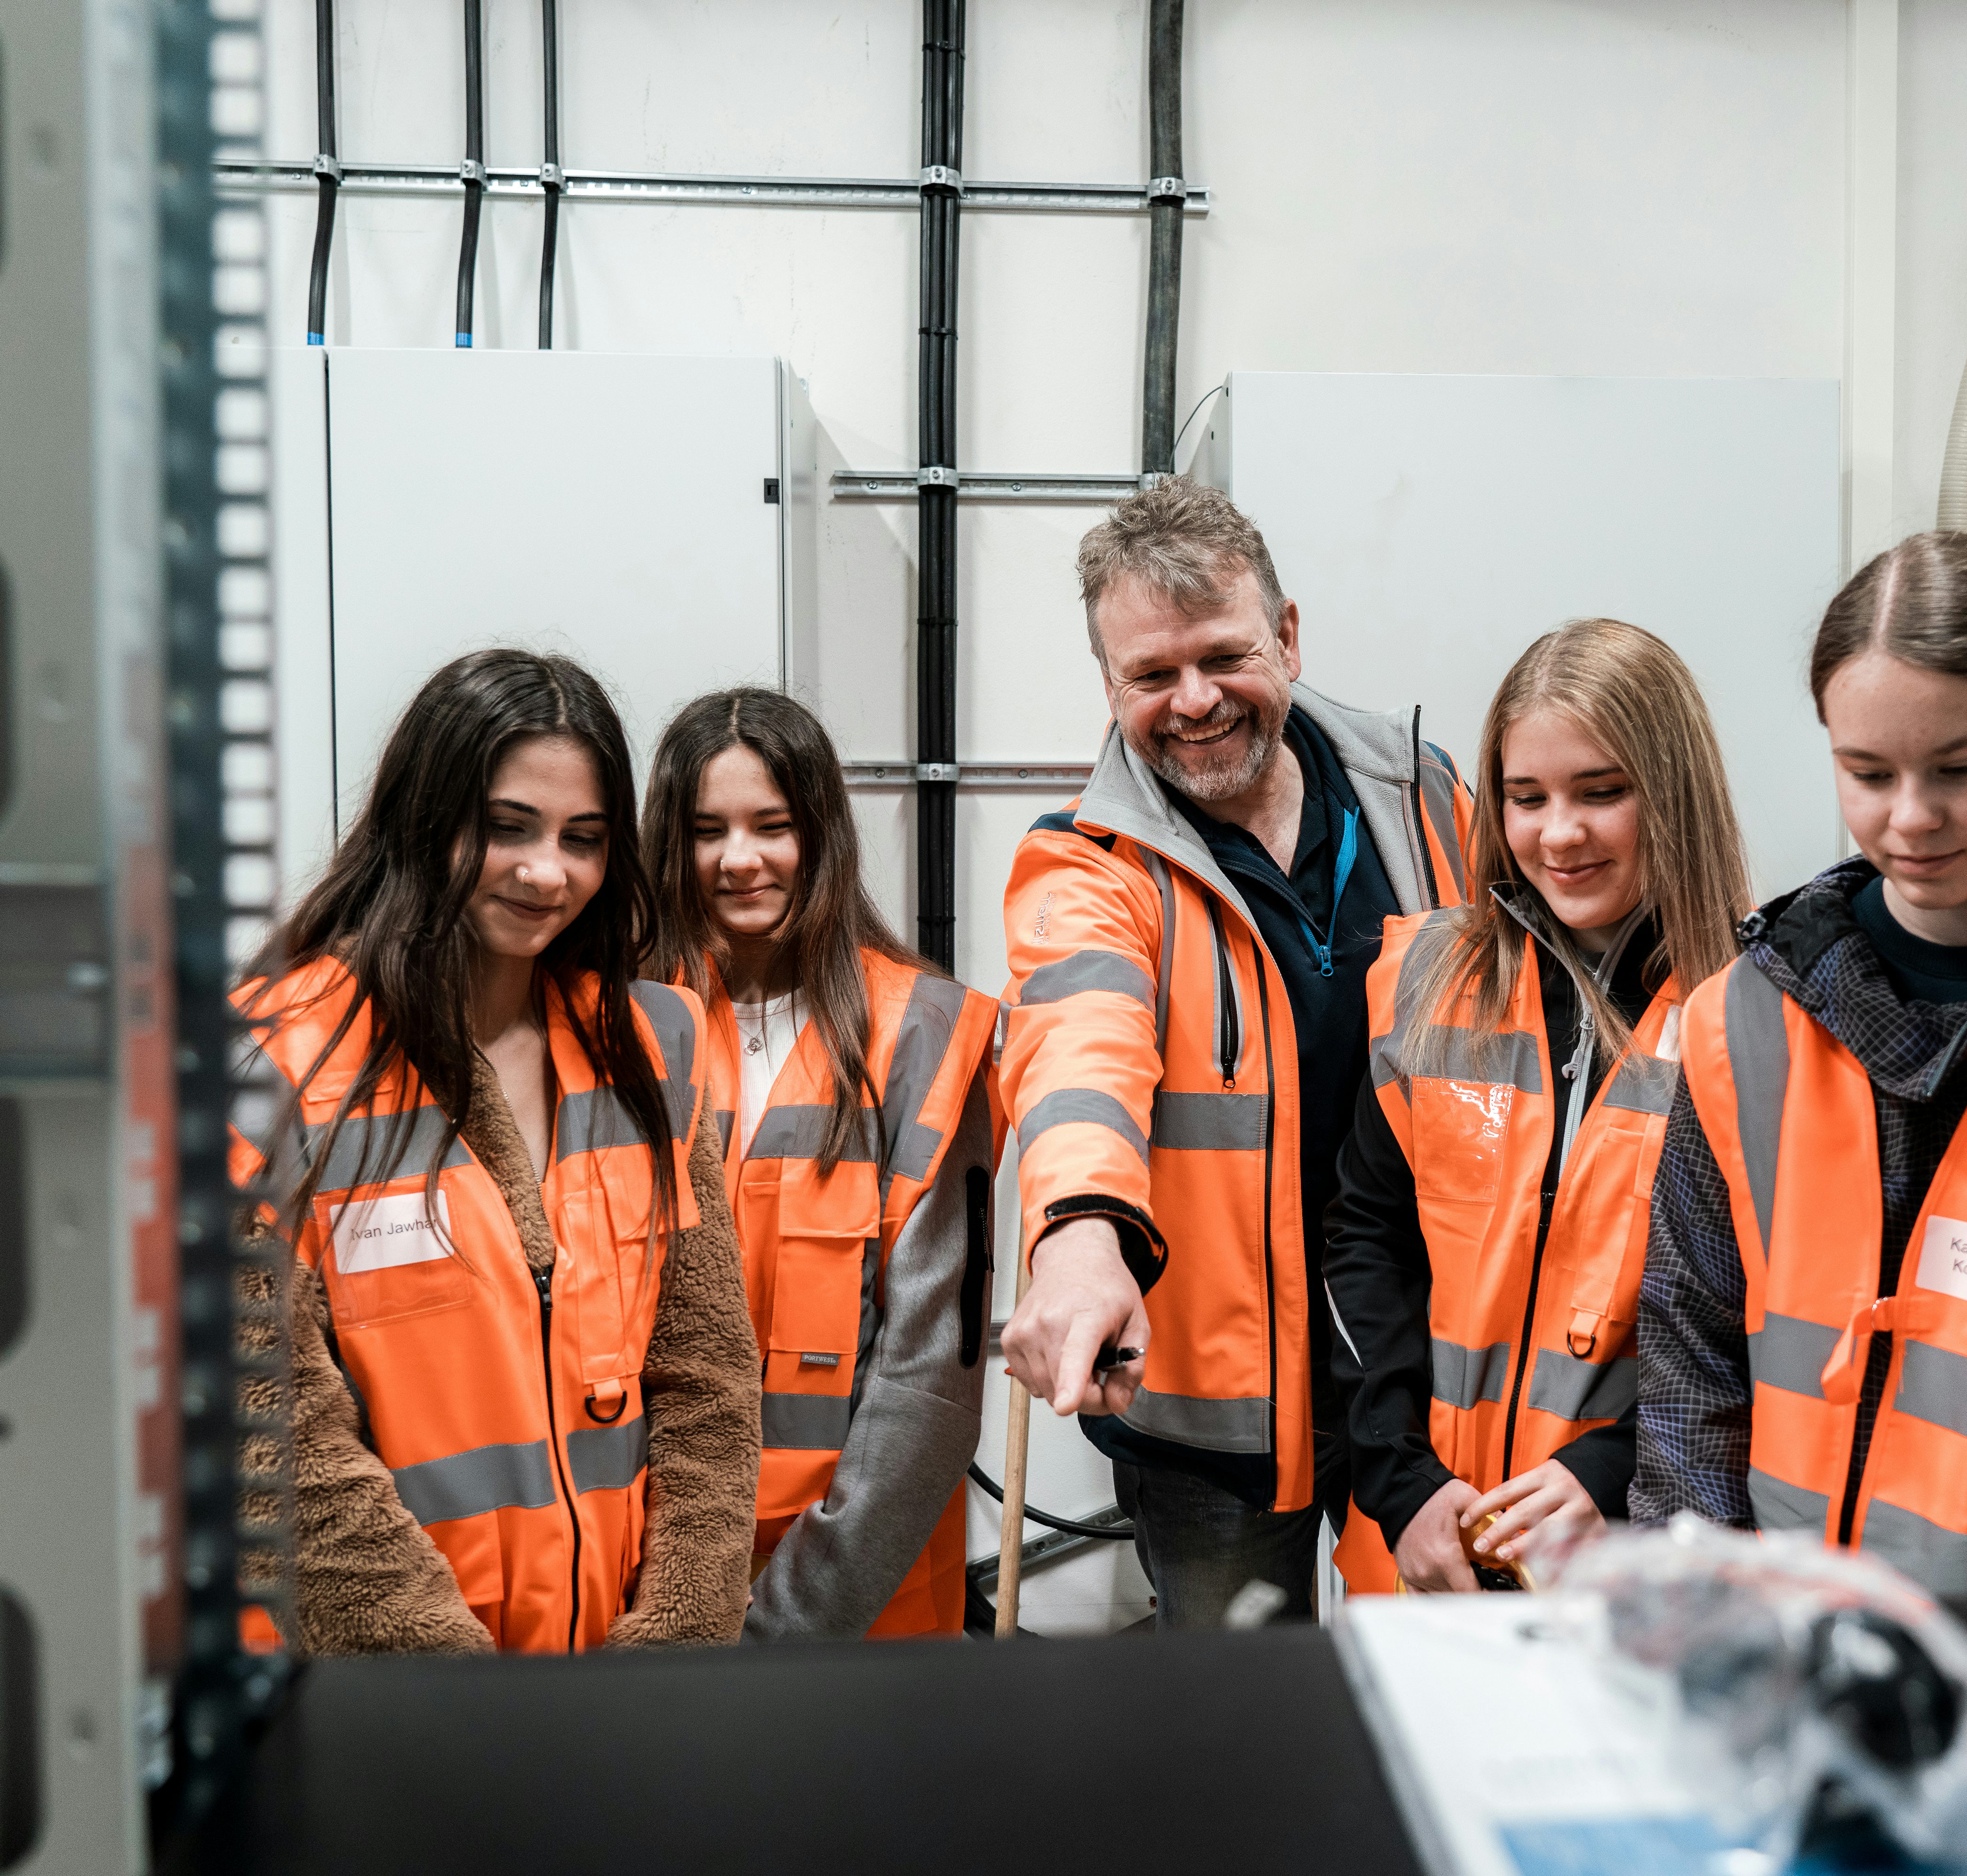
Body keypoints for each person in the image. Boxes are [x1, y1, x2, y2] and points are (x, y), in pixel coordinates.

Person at [996, 477, 1476, 1627]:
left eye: (1222, 655)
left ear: (1289, 635)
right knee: (1236, 1727)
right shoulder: (1088, 863)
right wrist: (1077, 1240)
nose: (1194, 701)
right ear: (1108, 684)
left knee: (1420, 1699)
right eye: (1150, 676)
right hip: (1212, 1421)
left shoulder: (1427, 798)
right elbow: (1077, 1048)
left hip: (1416, 1376)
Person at [228, 649, 761, 1654]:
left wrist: (679, 1638)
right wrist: (456, 1688)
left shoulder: (656, 1044)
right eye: (506, 827)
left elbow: (707, 1378)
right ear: (424, 819)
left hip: (619, 1694)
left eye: (583, 838)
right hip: (377, 1695)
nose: (546, 871)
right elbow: (268, 1421)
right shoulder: (273, 1059)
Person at [1629, 530, 1967, 1596]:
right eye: (1866, 772)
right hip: (1790, 1641)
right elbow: (1689, 1358)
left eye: (1961, 768)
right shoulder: (1743, 1019)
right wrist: (1700, 1615)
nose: (1910, 816)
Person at [1325, 619, 1750, 1594]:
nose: (1558, 833)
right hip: (1424, 1545)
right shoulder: (1430, 977)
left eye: (1601, 791)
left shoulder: (1753, 1012)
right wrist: (1401, 1483)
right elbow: (1364, 1239)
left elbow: (1767, 1319)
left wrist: (1609, 1472)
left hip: (1624, 1551)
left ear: (1673, 792)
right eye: (1527, 797)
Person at [642, 688, 997, 1639]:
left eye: (773, 825)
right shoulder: (619, 1029)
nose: (739, 857)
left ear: (823, 834)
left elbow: (928, 1377)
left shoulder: (923, 1032)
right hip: (653, 1587)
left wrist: (788, 1621)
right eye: (706, 829)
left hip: (863, 1599)